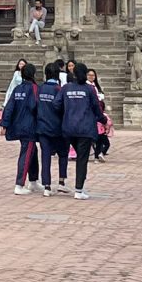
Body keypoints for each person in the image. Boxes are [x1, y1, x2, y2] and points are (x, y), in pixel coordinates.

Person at [52, 62, 107, 200]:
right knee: (82, 159)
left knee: (77, 155)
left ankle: (76, 187)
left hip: (69, 127)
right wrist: (103, 120)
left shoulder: (66, 88)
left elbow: (56, 104)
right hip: (85, 128)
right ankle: (79, 189)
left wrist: (67, 112)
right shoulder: (89, 89)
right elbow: (96, 107)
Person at [1, 63, 40, 195]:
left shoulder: (18, 89)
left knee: (32, 151)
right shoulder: (34, 88)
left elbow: (9, 107)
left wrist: (5, 124)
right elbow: (35, 106)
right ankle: (19, 184)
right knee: (26, 154)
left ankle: (33, 181)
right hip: (29, 127)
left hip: (18, 125)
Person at [37, 63, 70, 197]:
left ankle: (47, 186)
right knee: (63, 154)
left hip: (42, 127)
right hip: (58, 128)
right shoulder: (59, 89)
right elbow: (63, 108)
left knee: (45, 156)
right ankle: (61, 182)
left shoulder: (40, 89)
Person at [88, 68, 112, 161]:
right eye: (89, 75)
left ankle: (98, 153)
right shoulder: (87, 87)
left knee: (101, 138)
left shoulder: (96, 86)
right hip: (91, 114)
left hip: (99, 113)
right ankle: (97, 154)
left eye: (93, 75)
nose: (91, 77)